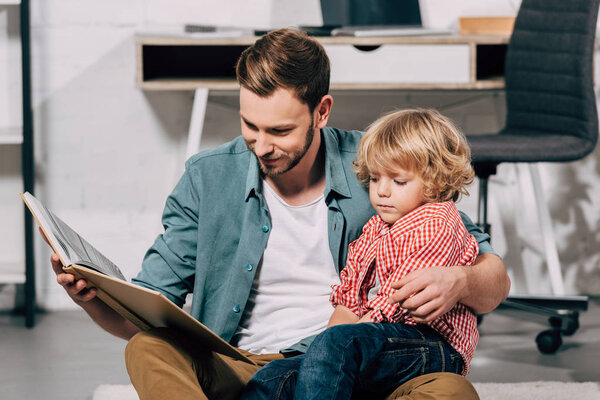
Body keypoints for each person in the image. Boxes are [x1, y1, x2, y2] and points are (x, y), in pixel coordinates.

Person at [46, 29, 510, 400]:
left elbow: (493, 278)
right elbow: (141, 315)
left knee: (450, 390)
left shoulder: (381, 168)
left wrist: (462, 281)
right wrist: (90, 296)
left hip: (353, 365)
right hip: (241, 364)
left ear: (321, 111)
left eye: (281, 130)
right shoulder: (208, 178)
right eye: (250, 125)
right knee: (150, 349)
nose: (262, 145)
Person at [242, 108, 481, 400]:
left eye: (398, 181)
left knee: (341, 346)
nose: (382, 191)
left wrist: (340, 341)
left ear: (436, 182)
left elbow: (401, 300)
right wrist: (325, 346)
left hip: (432, 344)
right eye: (376, 179)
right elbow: (350, 295)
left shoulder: (436, 222)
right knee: (272, 378)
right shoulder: (377, 226)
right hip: (374, 339)